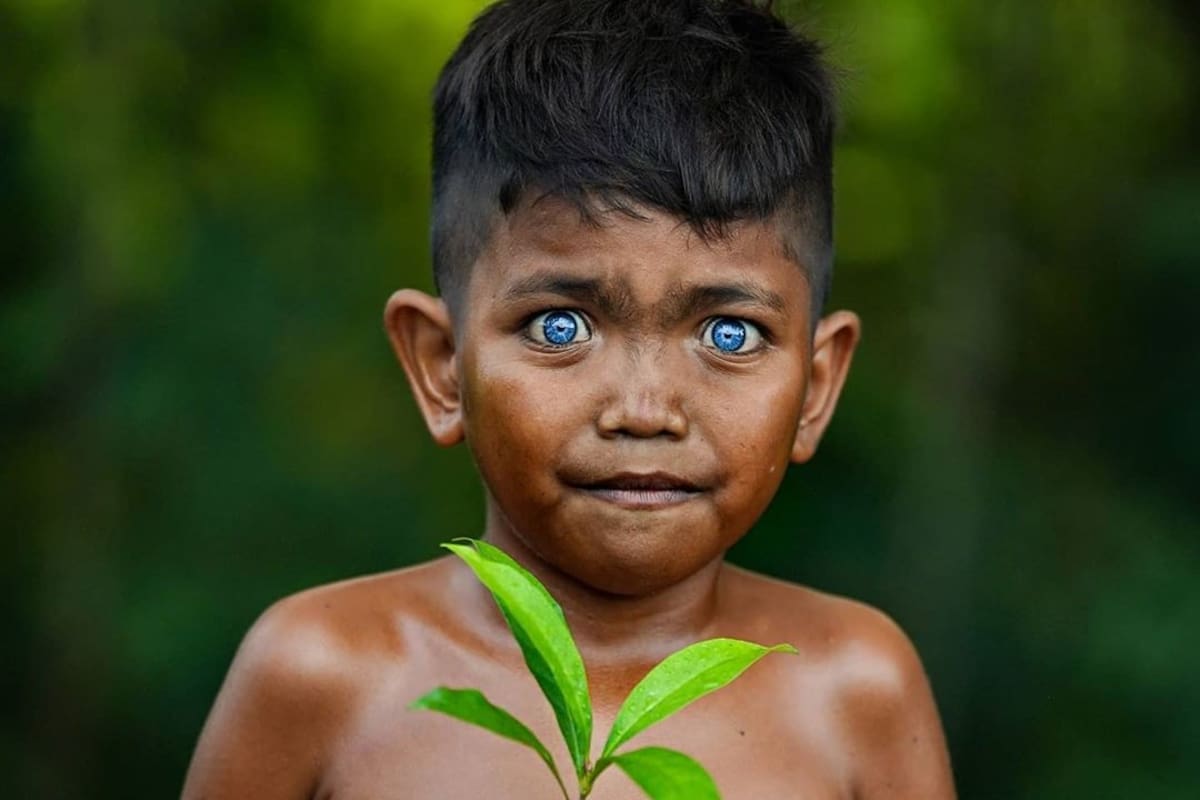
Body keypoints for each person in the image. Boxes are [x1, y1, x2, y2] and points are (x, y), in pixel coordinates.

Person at [181, 1, 956, 797]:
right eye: (561, 325)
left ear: (817, 387)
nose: (646, 410)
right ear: (442, 365)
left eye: (729, 334)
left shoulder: (858, 690)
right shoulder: (325, 677)